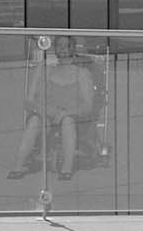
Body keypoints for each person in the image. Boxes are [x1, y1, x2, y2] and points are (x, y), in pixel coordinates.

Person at [7, 36, 98, 181]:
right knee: (34, 121)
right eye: (59, 45)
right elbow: (28, 101)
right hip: (46, 115)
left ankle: (66, 168)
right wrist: (45, 111)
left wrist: (66, 113)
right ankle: (18, 166)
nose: (62, 48)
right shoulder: (45, 70)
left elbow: (88, 105)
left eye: (66, 45)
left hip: (72, 116)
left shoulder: (82, 73)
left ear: (73, 48)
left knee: (67, 121)